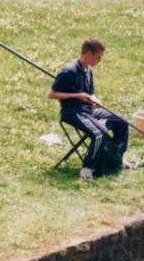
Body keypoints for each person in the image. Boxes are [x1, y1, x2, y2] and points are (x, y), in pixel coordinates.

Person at [47, 38, 129, 180]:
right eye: (98, 57)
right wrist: (77, 95)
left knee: (121, 121)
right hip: (73, 112)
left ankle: (116, 157)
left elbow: (89, 92)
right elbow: (51, 94)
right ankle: (88, 168)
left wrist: (94, 99)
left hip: (89, 111)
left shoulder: (88, 70)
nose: (100, 60)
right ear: (89, 54)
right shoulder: (69, 71)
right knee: (99, 134)